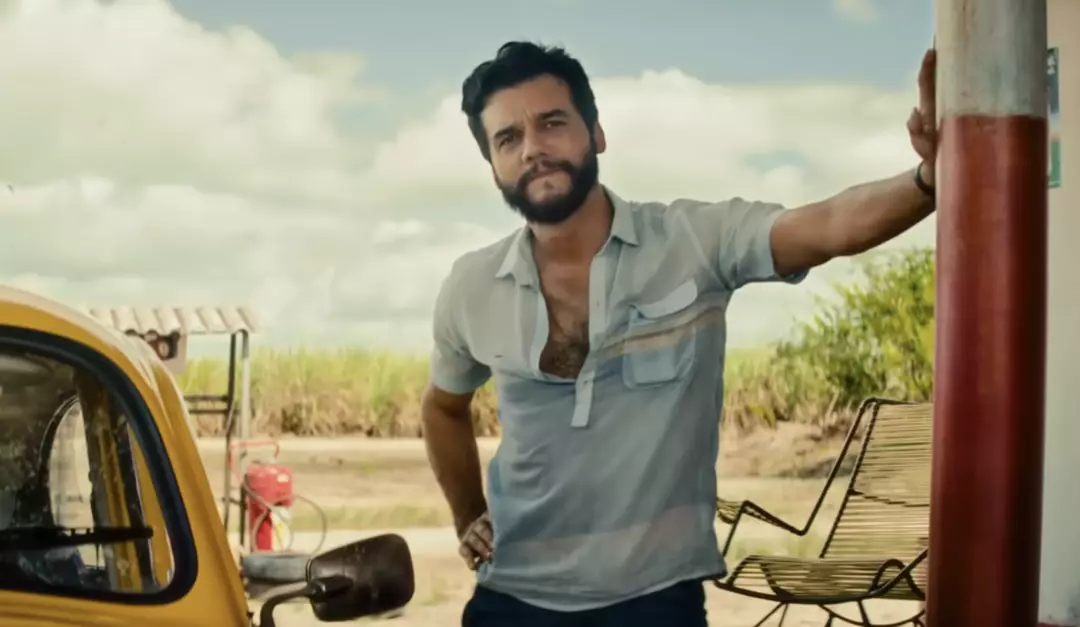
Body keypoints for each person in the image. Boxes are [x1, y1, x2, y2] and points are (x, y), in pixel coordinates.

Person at [421, 40, 939, 627]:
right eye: (508, 138)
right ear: (493, 165)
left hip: (655, 599)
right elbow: (442, 408)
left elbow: (829, 226)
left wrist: (929, 178)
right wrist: (468, 516)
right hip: (510, 597)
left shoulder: (693, 242)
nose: (533, 148)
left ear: (596, 133)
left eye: (552, 122)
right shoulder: (472, 285)